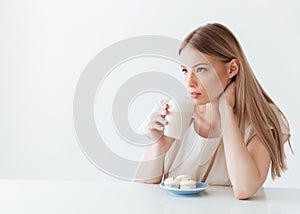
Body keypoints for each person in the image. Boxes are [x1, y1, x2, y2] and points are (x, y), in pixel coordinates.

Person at [134, 23, 291, 199]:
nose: (189, 82)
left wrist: (226, 111)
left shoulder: (261, 118)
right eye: (185, 70)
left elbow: (244, 189)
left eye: (200, 70)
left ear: (232, 69)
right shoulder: (173, 111)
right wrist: (159, 145)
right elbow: (143, 188)